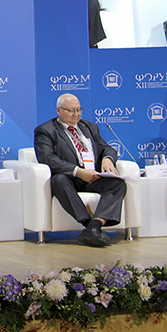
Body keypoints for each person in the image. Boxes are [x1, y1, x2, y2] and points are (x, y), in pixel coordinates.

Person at [33, 93, 126, 247]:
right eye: (71, 111)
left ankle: (95, 226)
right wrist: (78, 171)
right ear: (59, 110)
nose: (76, 114)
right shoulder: (46, 130)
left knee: (118, 184)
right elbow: (47, 158)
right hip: (69, 178)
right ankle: (88, 225)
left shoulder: (89, 127)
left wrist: (107, 158)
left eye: (78, 110)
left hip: (93, 177)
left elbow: (107, 148)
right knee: (58, 180)